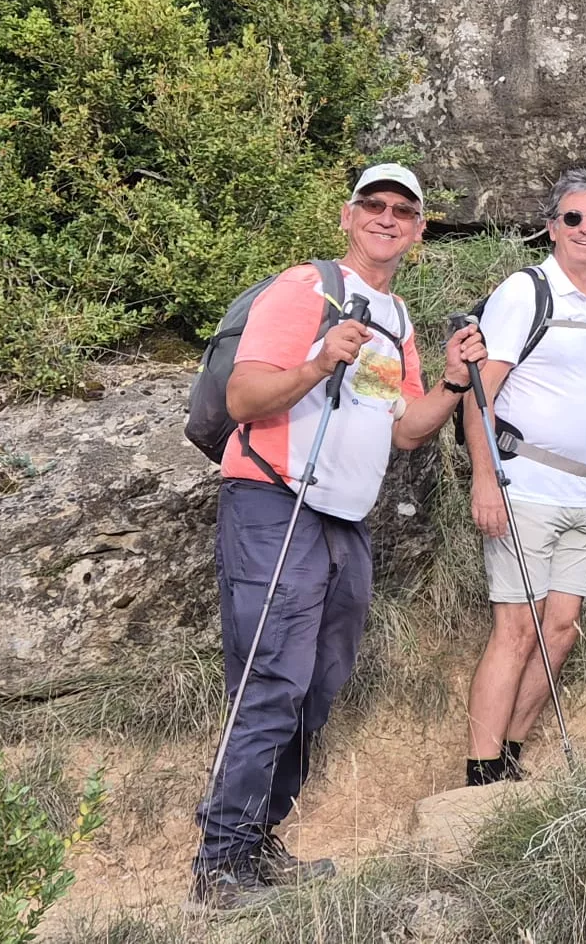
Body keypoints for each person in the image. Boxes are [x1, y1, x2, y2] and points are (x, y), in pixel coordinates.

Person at [193, 164, 485, 911]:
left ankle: (257, 841)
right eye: (375, 205)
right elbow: (243, 395)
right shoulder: (306, 290)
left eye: (404, 210)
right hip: (273, 501)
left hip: (343, 521)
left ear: (419, 230)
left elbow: (407, 431)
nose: (388, 217)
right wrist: (320, 358)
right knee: (271, 682)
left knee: (317, 688)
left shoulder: (396, 320)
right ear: (348, 217)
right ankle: (220, 866)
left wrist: (451, 382)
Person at [463, 170, 586, 786]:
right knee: (515, 628)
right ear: (551, 226)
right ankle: (479, 774)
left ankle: (509, 756)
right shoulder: (525, 290)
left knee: (560, 630)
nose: (584, 229)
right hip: (526, 484)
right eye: (572, 219)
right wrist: (485, 480)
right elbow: (480, 390)